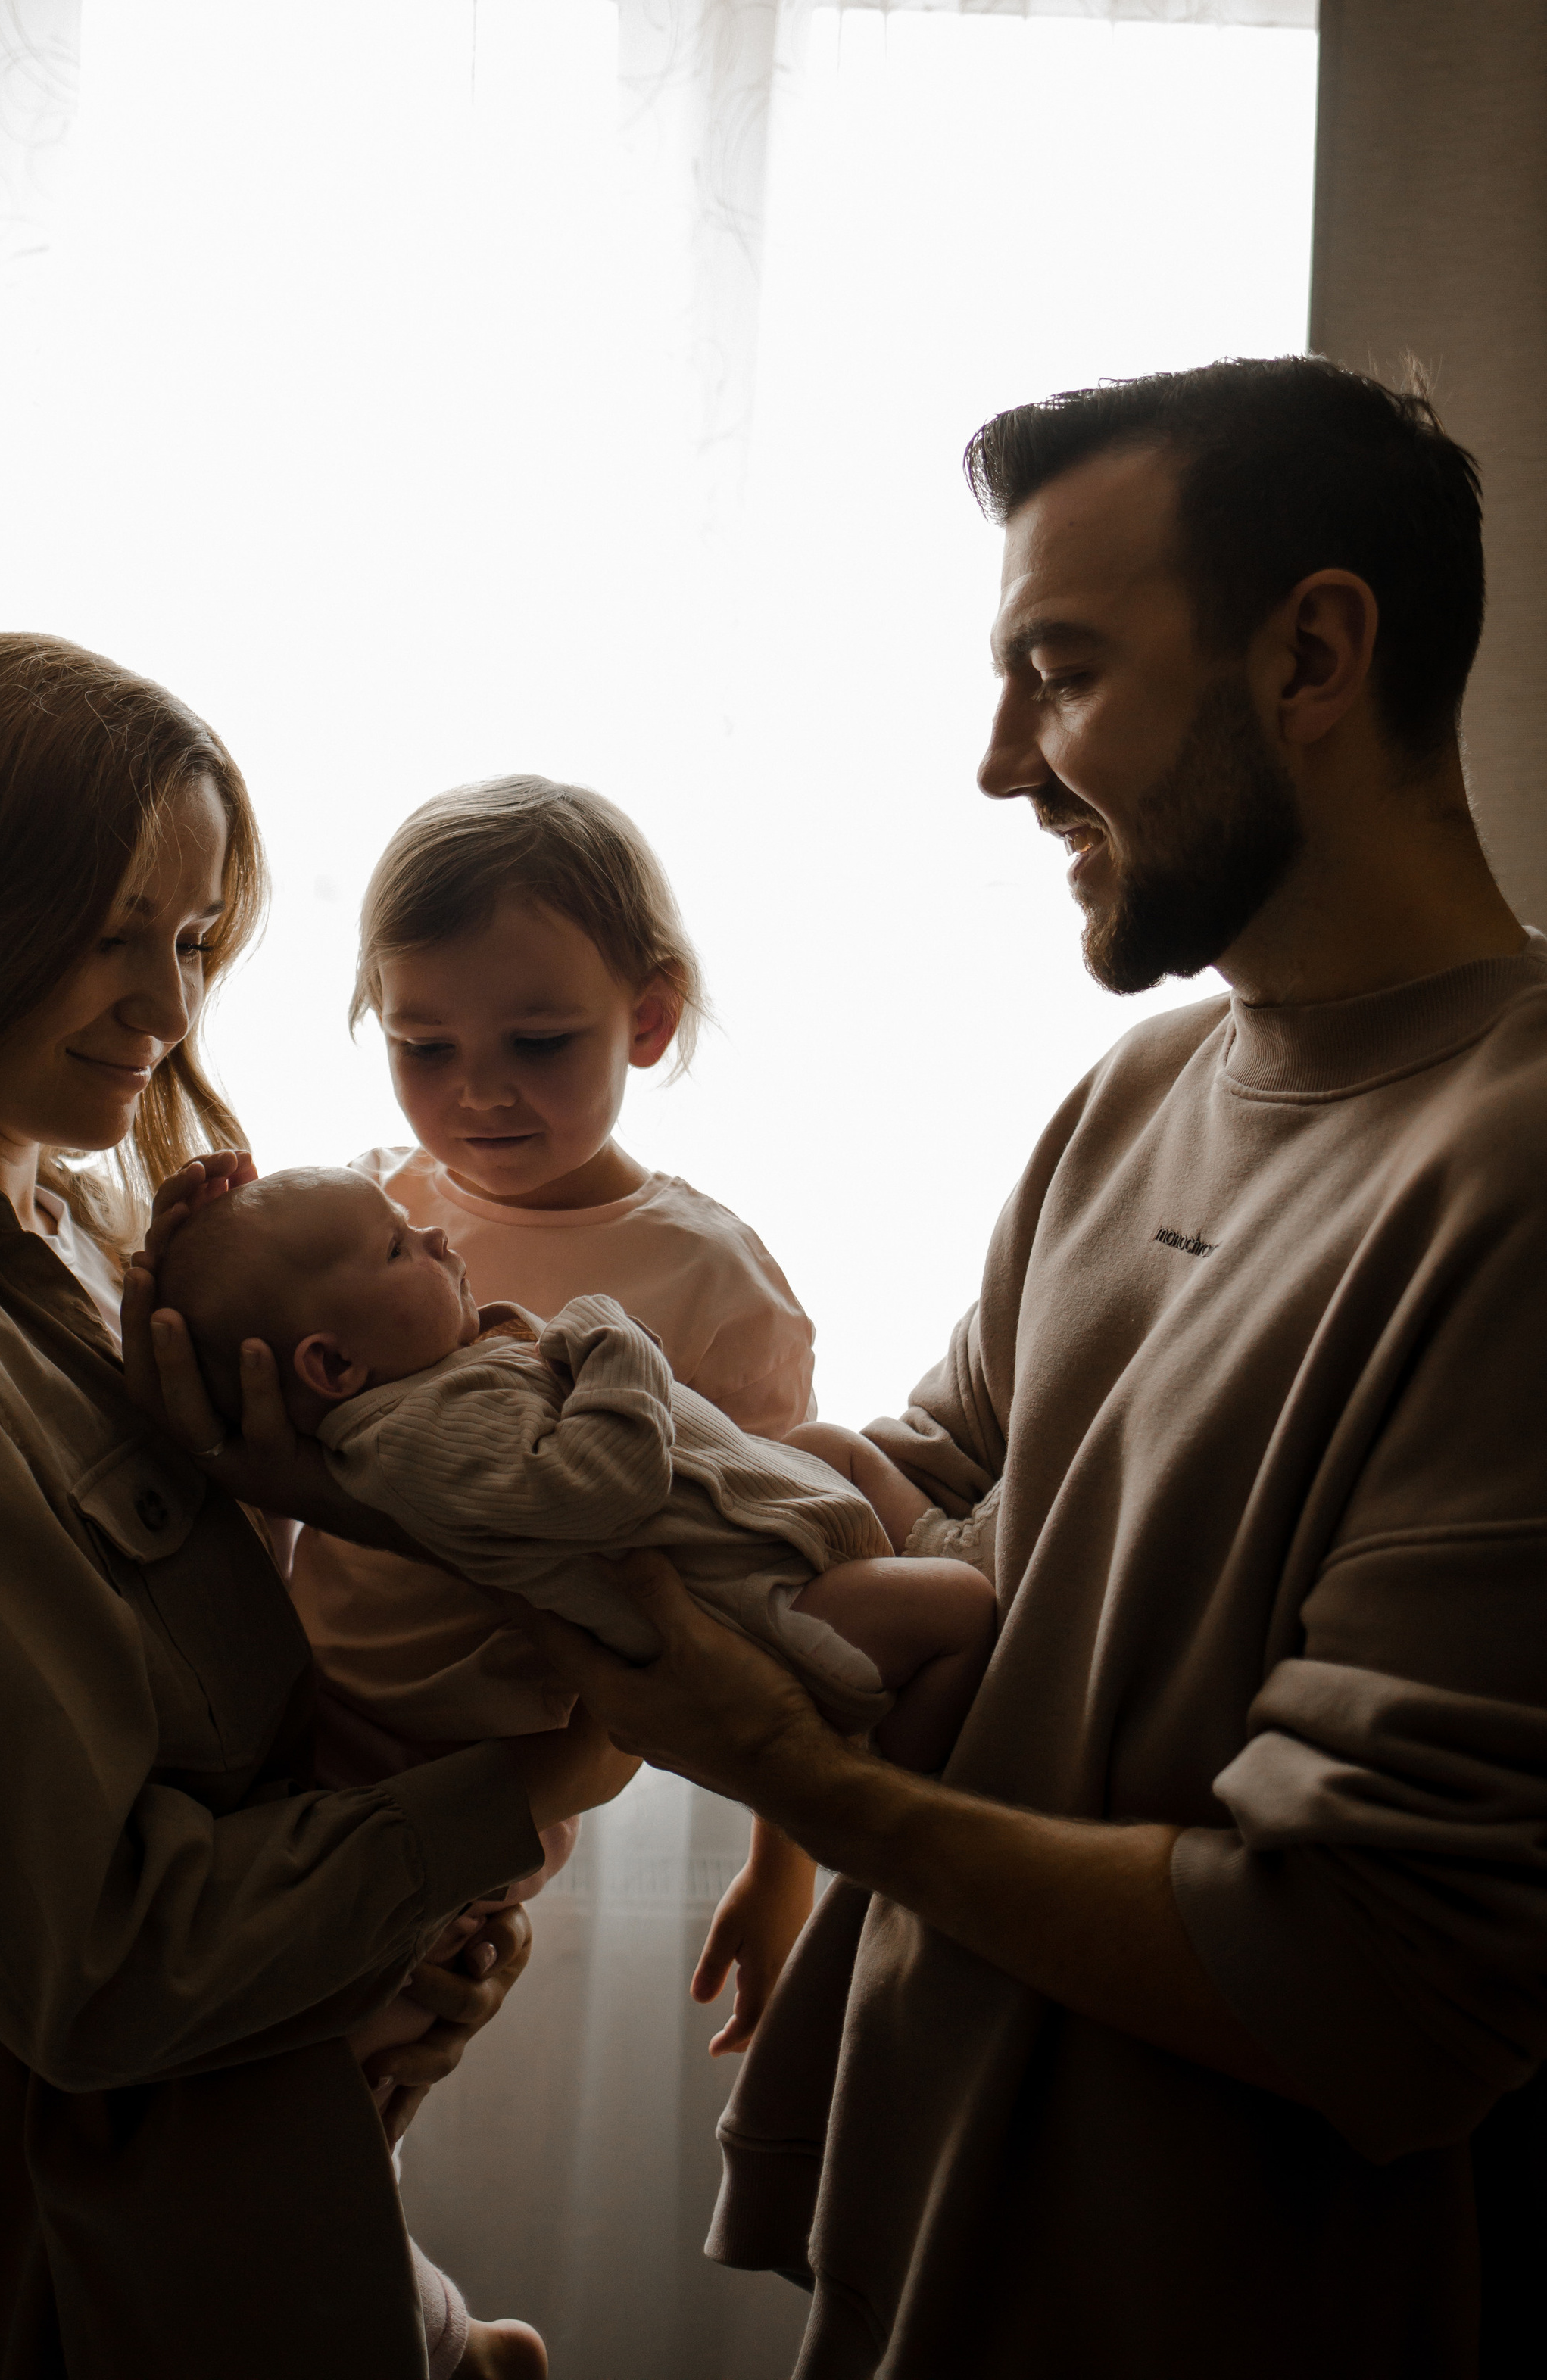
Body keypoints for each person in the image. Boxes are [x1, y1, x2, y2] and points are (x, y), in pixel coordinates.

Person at [146, 357, 1547, 2379]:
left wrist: (785, 1771)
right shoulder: (1142, 1092)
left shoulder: (1510, 1173)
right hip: (944, 2219)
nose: (1001, 762)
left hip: (1216, 2293)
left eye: (1060, 670)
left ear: (1316, 653)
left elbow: (1378, 1981)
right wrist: (405, 1464)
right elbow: (940, 1478)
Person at [0, 633, 632, 2380]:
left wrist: (400, 1951)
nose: (168, 1012)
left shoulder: (99, 1234)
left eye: (189, 941)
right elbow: (104, 1963)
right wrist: (534, 1782)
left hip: (276, 2205)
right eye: (109, 932)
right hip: (89, 2302)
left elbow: (210, 1734)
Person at [299, 774, 834, 2048]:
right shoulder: (372, 1207)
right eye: (423, 1048)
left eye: (537, 1044)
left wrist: (784, 1867)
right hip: (287, 1724)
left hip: (501, 1777)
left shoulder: (710, 1280)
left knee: (368, 2048)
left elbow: (785, 1592)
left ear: (646, 1018)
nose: (476, 1094)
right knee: (252, 2081)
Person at [158, 1165, 995, 1771]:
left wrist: (516, 1332)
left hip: (760, 1532)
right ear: (334, 1368)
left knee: (832, 1445)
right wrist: (612, 1333)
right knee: (963, 1608)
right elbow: (602, 1483)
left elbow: (529, 1379)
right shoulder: (413, 1438)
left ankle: (940, 1539)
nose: (434, 1234)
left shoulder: (438, 1385)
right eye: (395, 1250)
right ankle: (913, 1755)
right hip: (761, 1613)